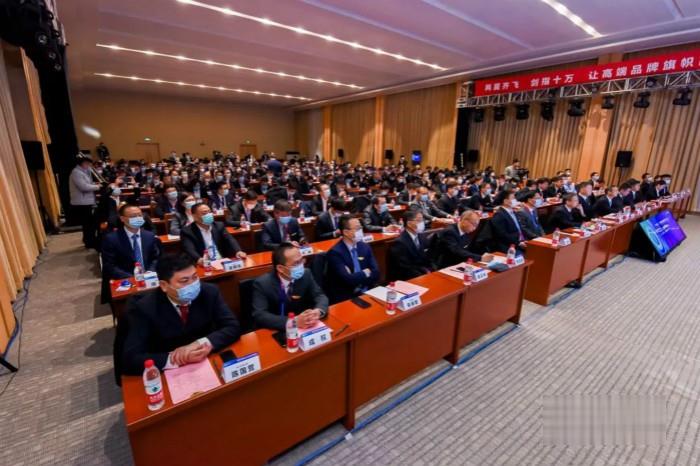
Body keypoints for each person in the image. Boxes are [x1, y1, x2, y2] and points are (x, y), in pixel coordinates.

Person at [121, 253, 241, 375]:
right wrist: (176, 358)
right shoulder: (145, 308)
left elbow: (233, 326)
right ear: (164, 285)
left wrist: (200, 343)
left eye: (195, 277)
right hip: (168, 372)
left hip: (206, 361)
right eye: (184, 281)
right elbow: (131, 358)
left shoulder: (209, 292)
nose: (192, 284)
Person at [251, 243, 328, 332]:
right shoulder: (262, 283)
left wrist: (318, 311)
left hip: (303, 327)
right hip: (274, 330)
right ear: (280, 268)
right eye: (296, 263)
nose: (301, 265)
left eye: (301, 260)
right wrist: (293, 321)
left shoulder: (306, 274)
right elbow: (260, 315)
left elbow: (319, 295)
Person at [101, 204, 161, 302]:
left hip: (149, 278)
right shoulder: (111, 239)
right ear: (122, 219)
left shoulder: (149, 236)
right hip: (126, 280)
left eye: (139, 215)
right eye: (133, 216)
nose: (137, 218)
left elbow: (156, 257)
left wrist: (150, 272)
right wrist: (133, 278)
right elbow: (110, 265)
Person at [325, 215, 380, 304]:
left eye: (361, 227)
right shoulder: (335, 253)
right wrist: (366, 272)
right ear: (346, 232)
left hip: (367, 290)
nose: (361, 230)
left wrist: (355, 276)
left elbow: (376, 273)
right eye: (357, 228)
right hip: (346, 296)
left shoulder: (365, 246)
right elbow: (348, 280)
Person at [181, 203, 247, 263]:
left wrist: (238, 251)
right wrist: (199, 259)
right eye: (204, 213)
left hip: (221, 260)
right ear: (194, 216)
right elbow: (189, 249)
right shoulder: (188, 231)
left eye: (209, 212)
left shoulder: (218, 225)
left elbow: (230, 239)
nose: (208, 215)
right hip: (204, 262)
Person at [387, 209, 435, 281]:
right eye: (419, 220)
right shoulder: (400, 243)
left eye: (422, 220)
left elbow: (429, 258)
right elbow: (405, 268)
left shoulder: (422, 236)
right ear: (409, 223)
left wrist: (433, 271)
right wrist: (424, 276)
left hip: (424, 273)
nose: (422, 223)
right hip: (410, 278)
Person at [70, 154, 101, 249]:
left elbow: (87, 183)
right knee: (88, 224)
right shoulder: (76, 172)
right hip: (82, 202)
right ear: (82, 163)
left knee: (88, 223)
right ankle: (89, 242)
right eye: (87, 163)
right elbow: (83, 187)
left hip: (86, 201)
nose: (89, 165)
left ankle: (88, 240)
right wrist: (98, 186)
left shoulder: (83, 171)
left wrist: (95, 184)